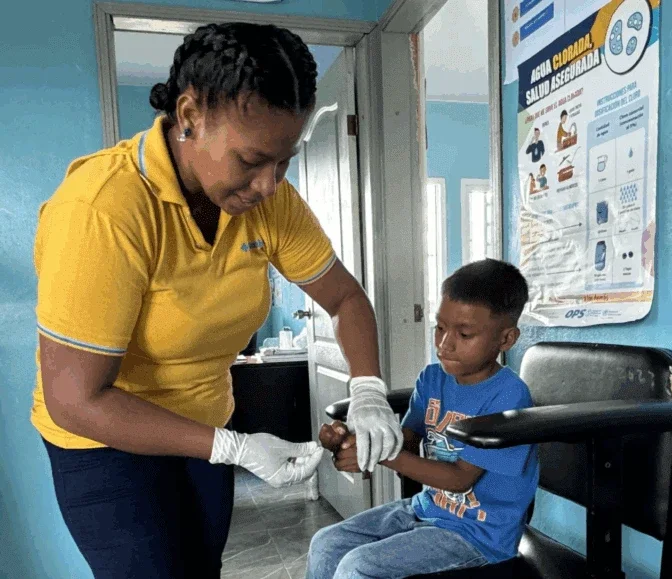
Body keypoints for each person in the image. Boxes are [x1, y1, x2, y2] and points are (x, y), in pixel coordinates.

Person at [32, 22, 402, 578]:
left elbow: (346, 299)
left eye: (284, 161)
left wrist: (369, 390)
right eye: (251, 160)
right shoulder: (104, 209)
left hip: (204, 419)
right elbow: (75, 399)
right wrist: (233, 449)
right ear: (189, 117)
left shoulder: (271, 203)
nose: (269, 186)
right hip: (102, 440)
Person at [308, 259, 539, 578]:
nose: (445, 344)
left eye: (465, 333)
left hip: (478, 537)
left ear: (506, 339)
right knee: (327, 542)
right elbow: (410, 438)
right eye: (440, 328)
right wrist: (362, 439)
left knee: (358, 566)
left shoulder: (509, 395)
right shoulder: (433, 379)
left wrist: (385, 456)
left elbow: (460, 479)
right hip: (426, 508)